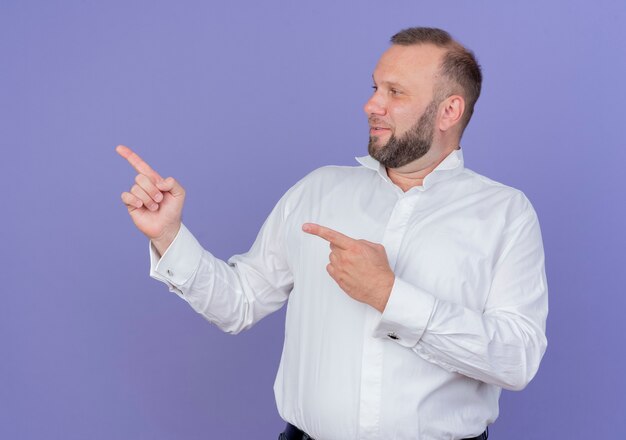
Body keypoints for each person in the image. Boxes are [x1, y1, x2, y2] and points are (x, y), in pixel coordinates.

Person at [117, 27, 548, 440]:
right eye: (375, 87)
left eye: (394, 92)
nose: (371, 105)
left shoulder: (505, 214)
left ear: (449, 111)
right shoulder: (318, 189)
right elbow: (239, 303)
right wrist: (169, 235)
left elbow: (517, 360)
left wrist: (389, 295)